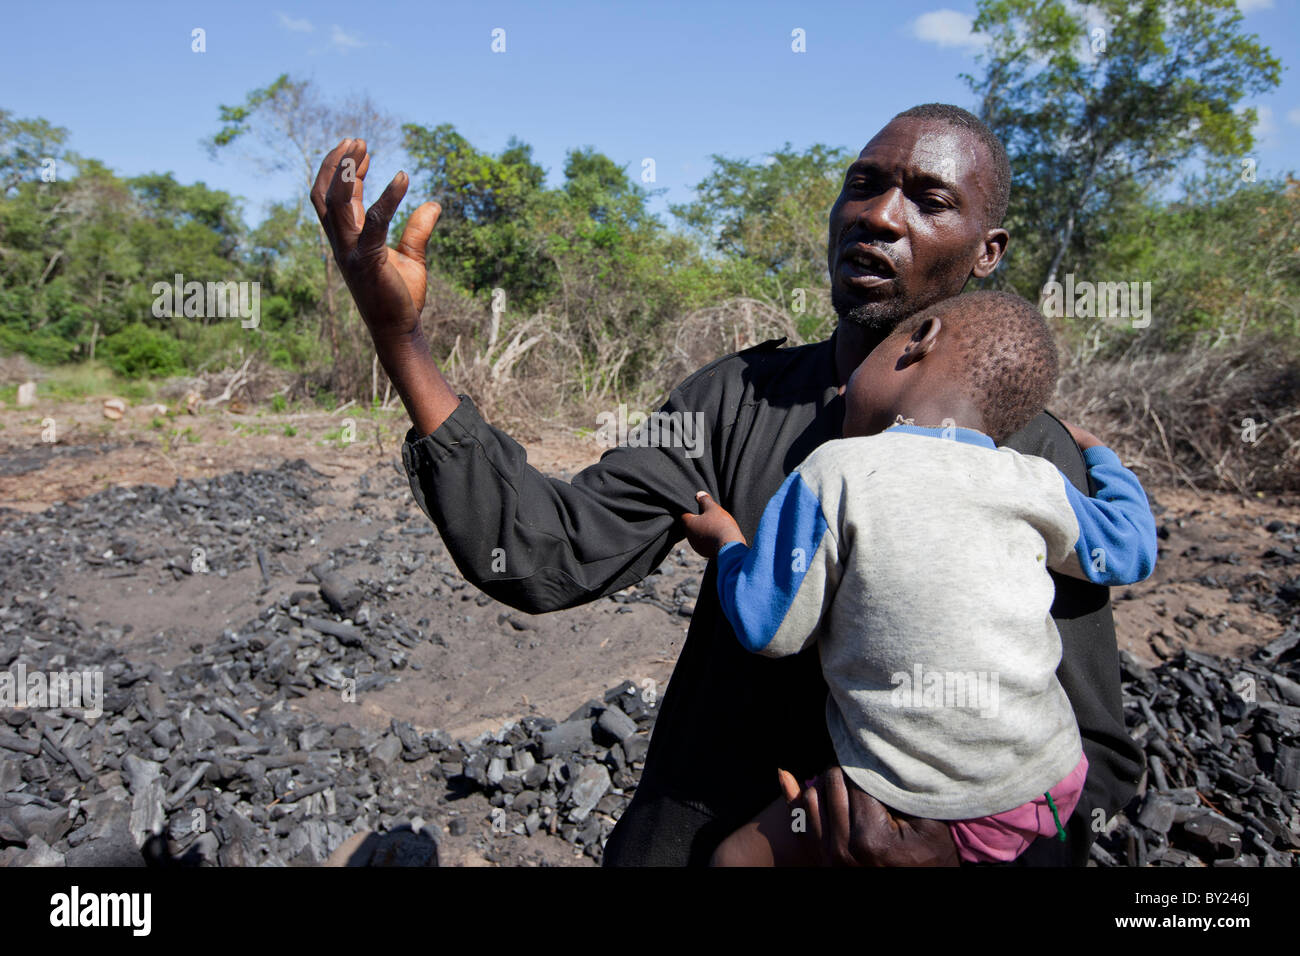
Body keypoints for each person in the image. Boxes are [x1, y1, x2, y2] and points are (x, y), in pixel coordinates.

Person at [310, 102, 1145, 866]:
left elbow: (1093, 758)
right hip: (698, 827)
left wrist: (943, 853)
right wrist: (402, 340)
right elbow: (541, 552)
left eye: (928, 200)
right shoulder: (737, 399)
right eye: (864, 185)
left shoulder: (1030, 463)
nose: (880, 215)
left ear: (985, 252)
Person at [678, 291, 1156, 865]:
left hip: (919, 802)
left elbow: (768, 628)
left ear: (918, 340)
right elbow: (1130, 550)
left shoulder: (836, 469)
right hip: (1049, 784)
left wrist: (726, 543)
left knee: (731, 858)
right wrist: (1102, 457)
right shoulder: (1034, 479)